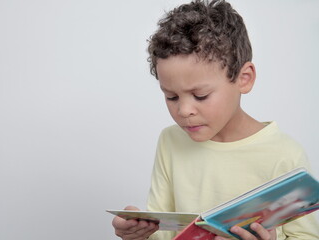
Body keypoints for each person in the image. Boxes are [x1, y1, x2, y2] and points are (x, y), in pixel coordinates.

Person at [112, 0, 319, 239]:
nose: (184, 110)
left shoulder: (284, 154)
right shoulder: (170, 141)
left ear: (244, 78)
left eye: (200, 96)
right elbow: (166, 232)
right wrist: (141, 233)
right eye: (171, 96)